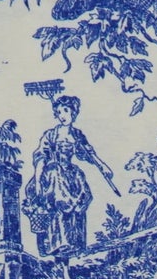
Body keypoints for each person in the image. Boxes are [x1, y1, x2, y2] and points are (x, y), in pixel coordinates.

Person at [22, 95, 117, 258]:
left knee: (82, 196)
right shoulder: (51, 135)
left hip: (71, 174)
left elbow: (88, 154)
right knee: (59, 197)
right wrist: (38, 181)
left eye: (66, 111)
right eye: (59, 112)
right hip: (52, 173)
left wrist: (103, 166)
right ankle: (59, 242)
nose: (62, 115)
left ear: (74, 112)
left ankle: (75, 243)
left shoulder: (77, 135)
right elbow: (40, 157)